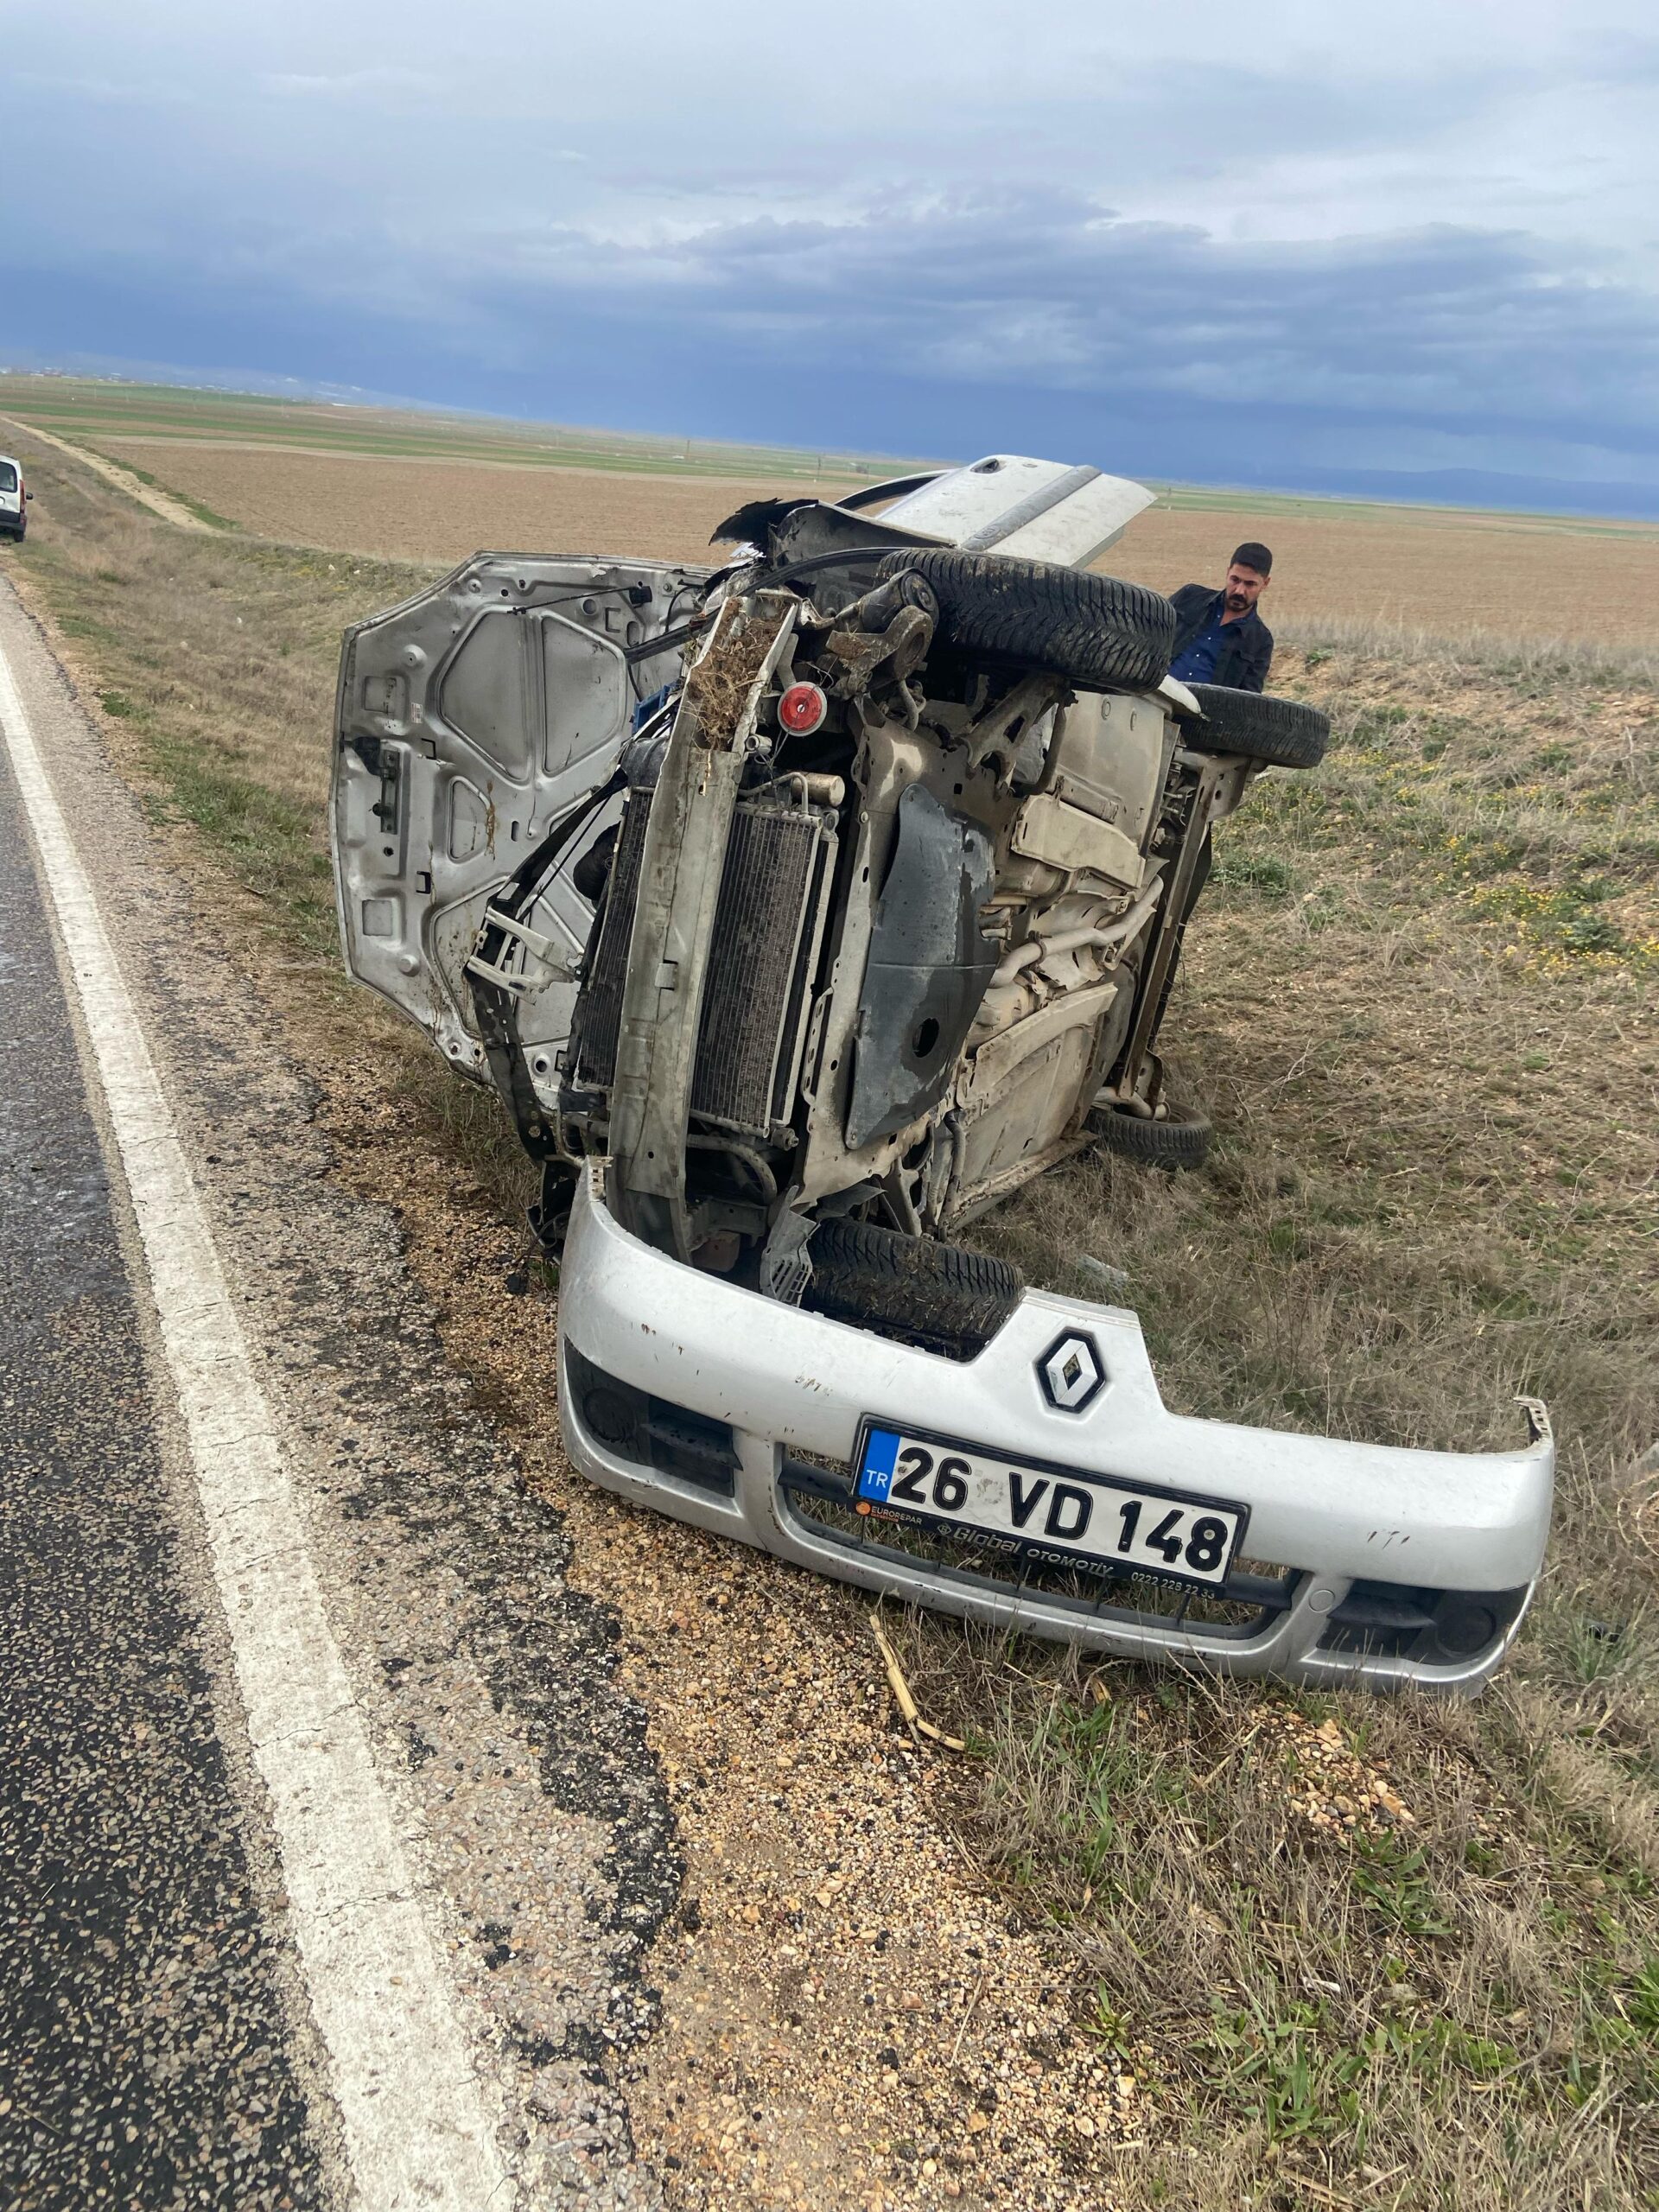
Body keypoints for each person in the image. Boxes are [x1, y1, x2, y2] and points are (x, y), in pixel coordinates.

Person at [1167, 543, 1274, 692]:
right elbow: (1151, 637)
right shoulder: (1189, 597)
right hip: (1156, 696)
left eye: (1250, 584)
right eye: (1235, 580)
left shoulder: (1261, 640)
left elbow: (1249, 698)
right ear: (1227, 572)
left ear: (1265, 583)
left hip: (1203, 712)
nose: (1239, 591)